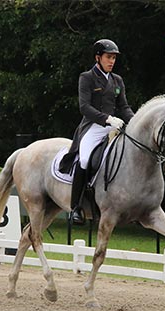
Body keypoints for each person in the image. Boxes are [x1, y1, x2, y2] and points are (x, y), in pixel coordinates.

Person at [59, 39, 134, 225]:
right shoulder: (87, 77)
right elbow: (84, 107)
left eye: (114, 58)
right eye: (109, 57)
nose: (112, 61)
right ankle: (75, 207)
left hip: (115, 125)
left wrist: (134, 122)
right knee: (84, 159)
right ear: (98, 57)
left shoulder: (117, 80)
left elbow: (123, 107)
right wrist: (107, 119)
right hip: (93, 126)